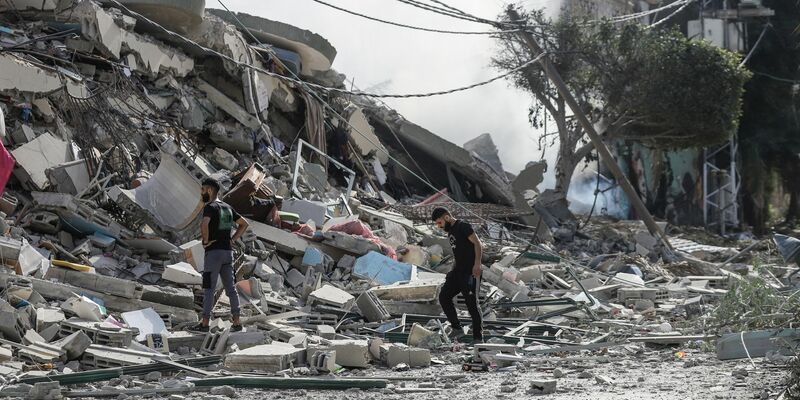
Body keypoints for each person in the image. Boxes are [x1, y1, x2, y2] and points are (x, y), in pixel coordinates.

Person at [193, 178, 249, 332]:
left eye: (203, 189)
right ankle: (237, 322)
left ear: (210, 190)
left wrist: (205, 241)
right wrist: (232, 239)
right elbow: (244, 223)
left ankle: (205, 323)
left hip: (214, 253)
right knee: (231, 288)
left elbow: (204, 224)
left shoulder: (210, 207)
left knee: (209, 288)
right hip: (227, 253)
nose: (202, 192)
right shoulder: (228, 207)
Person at [432, 207, 483, 343]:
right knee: (444, 296)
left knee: (472, 304)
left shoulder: (463, 226)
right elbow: (458, 253)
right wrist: (452, 270)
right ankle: (457, 328)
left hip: (471, 271)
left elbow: (478, 244)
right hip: (458, 271)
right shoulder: (450, 233)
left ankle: (478, 338)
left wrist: (477, 264)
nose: (439, 226)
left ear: (447, 217)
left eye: (439, 223)